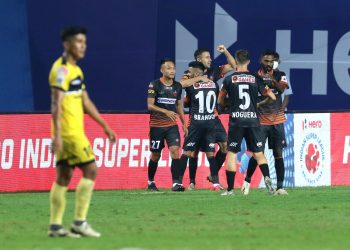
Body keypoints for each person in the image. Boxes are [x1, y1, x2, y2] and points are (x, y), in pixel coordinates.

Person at [48, 26, 116, 237]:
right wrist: (58, 135)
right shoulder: (61, 70)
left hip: (72, 131)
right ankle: (79, 221)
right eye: (78, 42)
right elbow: (55, 104)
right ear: (67, 44)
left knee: (64, 176)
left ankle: (56, 227)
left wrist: (104, 125)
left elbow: (85, 101)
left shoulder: (76, 70)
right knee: (91, 170)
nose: (83, 46)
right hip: (69, 133)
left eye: (84, 42)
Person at [218, 49, 276, 196]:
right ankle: (268, 179)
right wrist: (260, 103)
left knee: (231, 153)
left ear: (236, 62)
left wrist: (225, 105)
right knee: (258, 153)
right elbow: (272, 96)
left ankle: (230, 190)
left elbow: (220, 99)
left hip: (236, 120)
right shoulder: (256, 78)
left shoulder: (229, 79)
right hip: (253, 120)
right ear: (249, 61)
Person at [180, 46, 236, 190]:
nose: (210, 59)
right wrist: (199, 78)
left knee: (225, 146)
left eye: (210, 57)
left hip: (213, 117)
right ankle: (192, 182)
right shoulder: (189, 73)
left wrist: (225, 52)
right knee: (194, 151)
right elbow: (181, 84)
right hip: (197, 117)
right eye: (207, 57)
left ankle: (214, 175)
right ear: (198, 59)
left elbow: (234, 66)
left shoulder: (214, 72)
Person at [242, 50, 290, 196]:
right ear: (261, 61)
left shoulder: (280, 75)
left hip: (277, 121)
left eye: (271, 61)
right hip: (260, 122)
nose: (268, 64)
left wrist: (272, 79)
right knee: (258, 154)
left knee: (278, 153)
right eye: (266, 61)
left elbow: (282, 90)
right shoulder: (254, 77)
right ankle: (247, 182)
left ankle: (280, 187)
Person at [174, 61, 220, 191]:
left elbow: (179, 86)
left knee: (187, 152)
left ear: (195, 72)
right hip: (210, 122)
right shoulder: (214, 84)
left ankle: (178, 182)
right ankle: (216, 184)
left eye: (190, 71)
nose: (188, 73)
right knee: (210, 154)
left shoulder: (191, 85)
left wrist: (196, 79)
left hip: (196, 123)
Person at [146, 59, 187, 191]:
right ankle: (151, 182)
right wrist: (166, 111)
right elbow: (150, 106)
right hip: (156, 126)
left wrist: (184, 124)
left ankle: (176, 184)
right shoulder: (154, 85)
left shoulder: (177, 86)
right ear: (162, 70)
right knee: (156, 155)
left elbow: (179, 105)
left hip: (171, 126)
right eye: (169, 68)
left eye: (173, 68)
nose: (172, 71)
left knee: (175, 151)